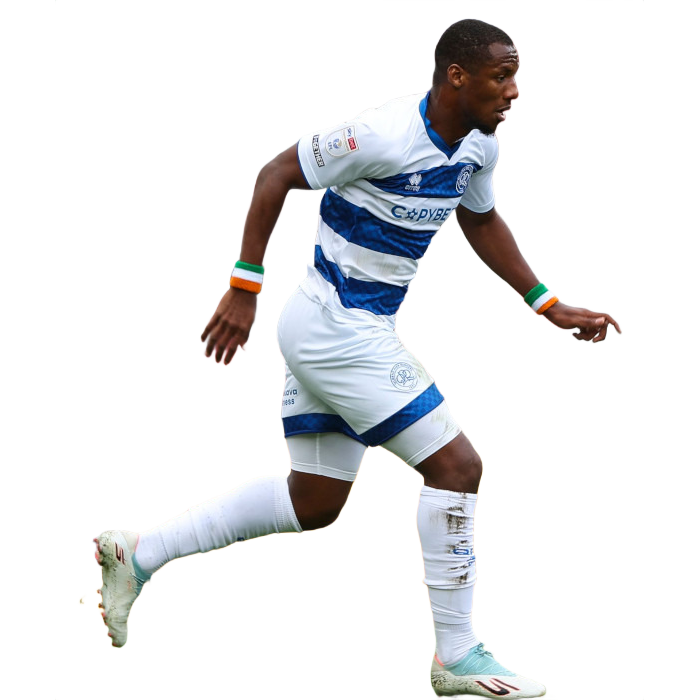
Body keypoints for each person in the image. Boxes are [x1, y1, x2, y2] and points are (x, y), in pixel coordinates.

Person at [92, 18, 621, 700]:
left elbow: (480, 218)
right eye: (502, 76)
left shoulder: (479, 146)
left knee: (313, 501)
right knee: (457, 466)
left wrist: (549, 305)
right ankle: (457, 656)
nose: (514, 90)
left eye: (516, 76)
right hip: (334, 328)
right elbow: (276, 172)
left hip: (340, 329)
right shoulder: (382, 133)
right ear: (456, 75)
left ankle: (138, 552)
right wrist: (244, 286)